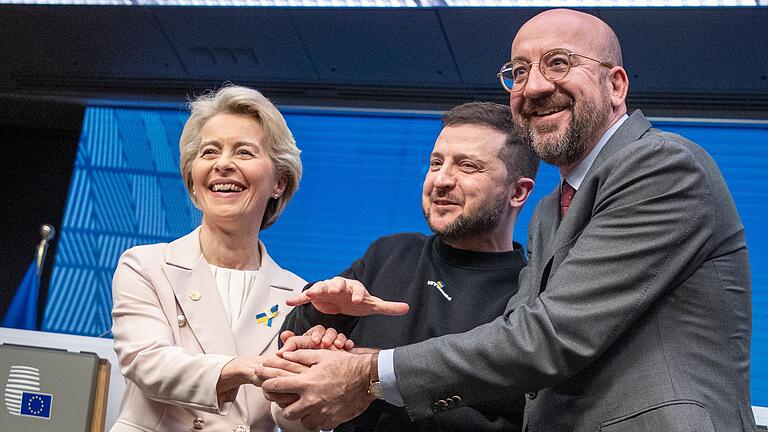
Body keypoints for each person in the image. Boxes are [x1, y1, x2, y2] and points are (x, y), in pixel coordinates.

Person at [259, 9, 755, 432]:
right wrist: (328, 335)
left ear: (616, 84)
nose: (533, 86)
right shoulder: (548, 213)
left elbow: (549, 337)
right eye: (517, 72)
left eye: (558, 63)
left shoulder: (661, 166)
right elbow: (519, 337)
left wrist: (367, 372)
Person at [280, 102, 538, 432]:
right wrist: (326, 314)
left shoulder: (527, 297)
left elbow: (516, 420)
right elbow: (290, 350)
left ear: (518, 192)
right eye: (436, 163)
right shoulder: (389, 253)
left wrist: (372, 378)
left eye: (468, 166)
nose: (442, 179)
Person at [110, 85, 349, 432]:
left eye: (244, 152)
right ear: (193, 178)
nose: (223, 164)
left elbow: (290, 418)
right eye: (209, 152)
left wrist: (314, 376)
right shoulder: (145, 266)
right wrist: (245, 368)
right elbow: (147, 363)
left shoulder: (297, 294)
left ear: (279, 182)